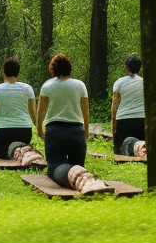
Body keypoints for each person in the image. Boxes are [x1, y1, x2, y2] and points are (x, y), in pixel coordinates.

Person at [36, 53, 112, 195]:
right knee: (78, 166)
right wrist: (86, 132)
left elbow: (41, 111)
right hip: (76, 132)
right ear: (70, 68)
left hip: (55, 132)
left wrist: (39, 129)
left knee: (54, 167)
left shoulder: (47, 86)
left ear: (53, 69)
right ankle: (85, 180)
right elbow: (85, 112)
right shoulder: (80, 85)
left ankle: (78, 179)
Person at [0, 57, 36, 162]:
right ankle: (20, 150)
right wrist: (39, 130)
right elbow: (33, 114)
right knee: (20, 146)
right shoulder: (28, 89)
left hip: (3, 132)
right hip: (24, 132)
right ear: (18, 72)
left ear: (3, 72)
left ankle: (17, 151)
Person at [111, 53, 146, 156]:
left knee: (122, 149)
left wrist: (114, 127)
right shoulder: (144, 83)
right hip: (141, 120)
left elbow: (114, 108)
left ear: (127, 67)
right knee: (141, 148)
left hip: (123, 121)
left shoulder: (119, 83)